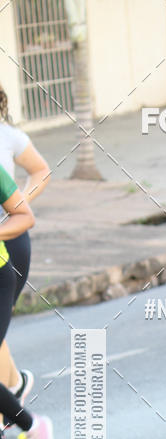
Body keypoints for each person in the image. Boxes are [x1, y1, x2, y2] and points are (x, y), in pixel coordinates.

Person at [0, 84, 51, 405]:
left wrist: (19, 203)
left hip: (11, 241)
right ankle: (14, 386)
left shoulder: (9, 136)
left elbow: (41, 171)